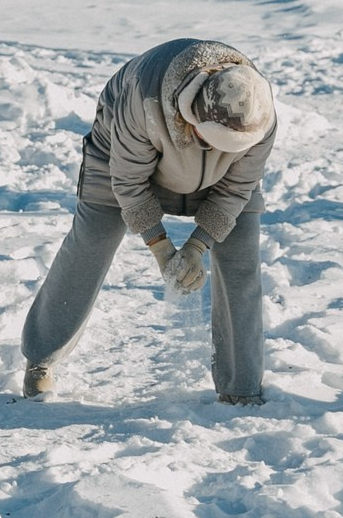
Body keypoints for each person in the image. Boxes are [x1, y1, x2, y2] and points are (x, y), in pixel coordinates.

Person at [21, 40, 278, 405]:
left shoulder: (259, 114)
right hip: (119, 164)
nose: (221, 148)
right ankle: (40, 360)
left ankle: (241, 387)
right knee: (93, 240)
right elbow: (128, 182)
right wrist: (161, 248)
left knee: (240, 257)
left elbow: (237, 188)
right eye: (214, 140)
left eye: (232, 145)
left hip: (220, 179)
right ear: (191, 114)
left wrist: (197, 245)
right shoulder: (146, 97)